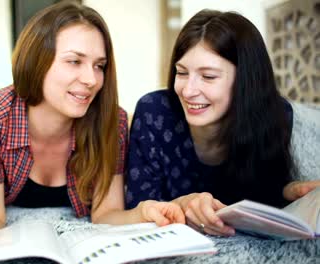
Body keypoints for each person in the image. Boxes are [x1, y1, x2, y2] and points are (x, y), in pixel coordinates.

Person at [0, 2, 184, 251]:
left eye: (99, 66)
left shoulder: (113, 121)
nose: (91, 80)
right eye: (74, 61)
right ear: (37, 61)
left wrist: (143, 211)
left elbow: (107, 214)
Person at [125, 9, 320, 237]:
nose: (188, 91)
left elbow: (261, 195)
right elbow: (138, 206)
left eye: (208, 77)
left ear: (246, 81)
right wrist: (182, 204)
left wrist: (288, 191)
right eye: (181, 72)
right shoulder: (154, 112)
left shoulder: (276, 113)